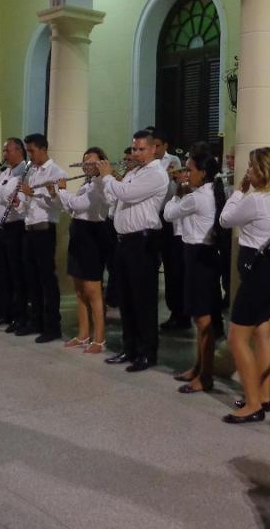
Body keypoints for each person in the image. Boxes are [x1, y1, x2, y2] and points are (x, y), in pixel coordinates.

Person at [219, 147, 270, 423]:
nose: (247, 170)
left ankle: (253, 404)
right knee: (262, 334)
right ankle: (263, 396)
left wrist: (238, 192)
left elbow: (225, 220)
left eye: (251, 166)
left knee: (237, 338)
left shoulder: (255, 199)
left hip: (259, 273)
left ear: (260, 172)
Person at [99, 130, 169, 372]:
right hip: (124, 241)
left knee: (143, 300)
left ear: (153, 149)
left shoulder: (156, 173)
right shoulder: (133, 172)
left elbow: (127, 194)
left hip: (142, 242)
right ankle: (129, 348)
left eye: (141, 149)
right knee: (126, 299)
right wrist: (103, 181)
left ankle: (147, 352)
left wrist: (108, 176)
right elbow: (114, 200)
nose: (136, 153)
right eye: (134, 149)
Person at [164, 149, 225, 393]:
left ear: (203, 172)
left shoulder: (197, 197)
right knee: (201, 318)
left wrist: (178, 191)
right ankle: (199, 367)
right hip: (202, 256)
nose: (185, 173)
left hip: (199, 257)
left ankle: (205, 375)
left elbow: (169, 214)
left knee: (203, 320)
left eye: (189, 169)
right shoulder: (208, 192)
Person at [51, 148, 112, 353]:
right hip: (79, 234)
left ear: (102, 163)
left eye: (91, 160)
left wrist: (62, 190)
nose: (86, 164)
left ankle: (99, 339)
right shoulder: (86, 184)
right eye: (85, 160)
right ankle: (83, 334)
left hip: (92, 237)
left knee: (93, 290)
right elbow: (71, 209)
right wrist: (56, 194)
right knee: (79, 290)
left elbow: (79, 204)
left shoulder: (100, 185)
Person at [16, 133, 67, 342]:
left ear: (43, 149)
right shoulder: (32, 171)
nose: (30, 155)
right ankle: (35, 320)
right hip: (29, 229)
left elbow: (59, 204)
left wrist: (32, 194)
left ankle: (52, 326)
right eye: (28, 151)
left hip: (45, 230)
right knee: (31, 278)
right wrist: (20, 202)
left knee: (47, 279)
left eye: (32, 151)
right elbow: (28, 203)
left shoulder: (56, 172)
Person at [151, 129, 189, 332]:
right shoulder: (148, 162)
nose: (154, 149)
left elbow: (177, 191)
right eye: (152, 145)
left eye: (157, 145)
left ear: (165, 146)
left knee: (174, 268)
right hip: (152, 217)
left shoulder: (173, 161)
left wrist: (171, 179)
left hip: (170, 219)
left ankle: (179, 313)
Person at [0, 138, 29, 329]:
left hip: (15, 227)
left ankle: (18, 315)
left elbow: (11, 197)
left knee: (15, 273)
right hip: (0, 227)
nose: (4, 154)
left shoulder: (25, 172)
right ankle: (3, 312)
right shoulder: (6, 171)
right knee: (0, 272)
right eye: (4, 150)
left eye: (8, 150)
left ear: (19, 151)